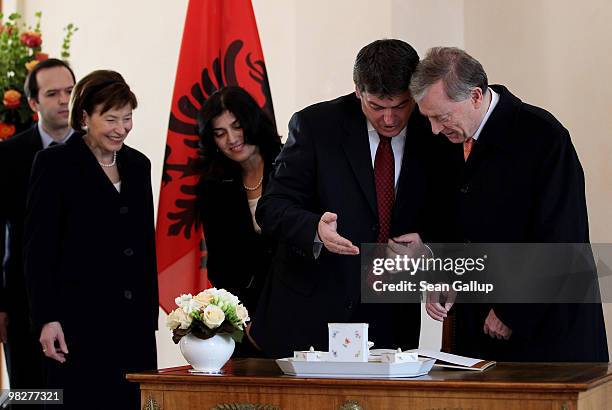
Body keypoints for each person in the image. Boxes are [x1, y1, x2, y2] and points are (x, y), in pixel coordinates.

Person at [411, 47, 608, 362]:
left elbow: (562, 237)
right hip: (476, 329)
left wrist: (513, 310)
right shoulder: (444, 141)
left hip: (546, 331)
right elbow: (447, 222)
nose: (434, 128)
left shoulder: (543, 136)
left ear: (475, 96)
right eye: (429, 118)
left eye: (441, 117)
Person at [250, 39, 445, 358]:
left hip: (391, 313)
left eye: (401, 106)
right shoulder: (316, 125)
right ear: (358, 92)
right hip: (313, 307)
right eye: (377, 107)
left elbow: (450, 211)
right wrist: (315, 228)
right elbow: (272, 208)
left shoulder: (435, 130)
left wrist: (430, 248)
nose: (389, 119)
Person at [24, 70, 159, 408]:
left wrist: (151, 318)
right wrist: (46, 318)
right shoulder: (54, 164)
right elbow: (38, 249)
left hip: (132, 326)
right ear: (84, 117)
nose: (121, 128)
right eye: (110, 118)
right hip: (76, 323)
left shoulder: (138, 165)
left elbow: (143, 245)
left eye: (127, 118)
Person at [0, 58, 76, 406]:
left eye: (70, 91)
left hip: (82, 304)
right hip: (22, 304)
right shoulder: (9, 155)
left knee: (80, 397)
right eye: (53, 94)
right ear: (33, 103)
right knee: (33, 398)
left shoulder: (97, 150)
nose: (64, 100)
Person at [196, 86, 281, 357]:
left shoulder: (291, 165)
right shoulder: (213, 185)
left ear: (252, 122)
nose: (232, 139)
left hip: (296, 308)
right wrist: (241, 318)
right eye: (220, 133)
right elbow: (220, 265)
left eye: (237, 126)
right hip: (245, 322)